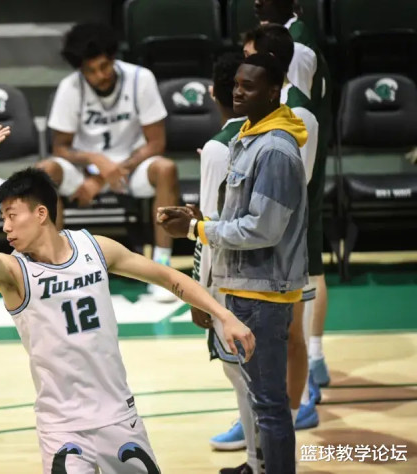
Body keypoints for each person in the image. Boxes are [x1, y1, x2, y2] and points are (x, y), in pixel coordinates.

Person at [0, 125, 255, 474]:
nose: (5, 227)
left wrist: (223, 316)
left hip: (118, 416)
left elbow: (169, 278)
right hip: (62, 426)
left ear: (41, 214)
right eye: (2, 218)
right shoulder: (15, 274)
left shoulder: (94, 248)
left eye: (11, 216)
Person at [159, 53, 308, 474]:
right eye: (237, 84)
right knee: (262, 400)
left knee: (269, 405)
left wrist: (196, 230)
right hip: (246, 285)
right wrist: (199, 219)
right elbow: (241, 216)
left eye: (249, 86)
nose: (238, 92)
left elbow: (264, 229)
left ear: (275, 91)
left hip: (262, 291)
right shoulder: (250, 137)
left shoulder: (274, 149)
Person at [37, 22, 179, 302]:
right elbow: (59, 147)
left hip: (131, 168)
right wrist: (93, 160)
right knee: (45, 171)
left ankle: (162, 269)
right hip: (83, 171)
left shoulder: (141, 79)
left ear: (113, 58)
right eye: (90, 71)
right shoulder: (70, 87)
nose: (99, 76)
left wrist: (103, 176)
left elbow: (156, 143)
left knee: (166, 168)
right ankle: (56, 269)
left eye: (104, 67)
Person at [254, 0, 334, 395]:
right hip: (293, 164)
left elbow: (298, 112)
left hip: (302, 165)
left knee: (306, 267)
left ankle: (310, 361)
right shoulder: (294, 37)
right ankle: (305, 364)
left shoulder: (297, 49)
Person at [187, 53, 252, 459]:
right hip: (272, 267)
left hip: (230, 275)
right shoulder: (275, 131)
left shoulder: (217, 147)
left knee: (241, 372)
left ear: (214, 92)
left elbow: (209, 229)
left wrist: (199, 294)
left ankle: (257, 459)